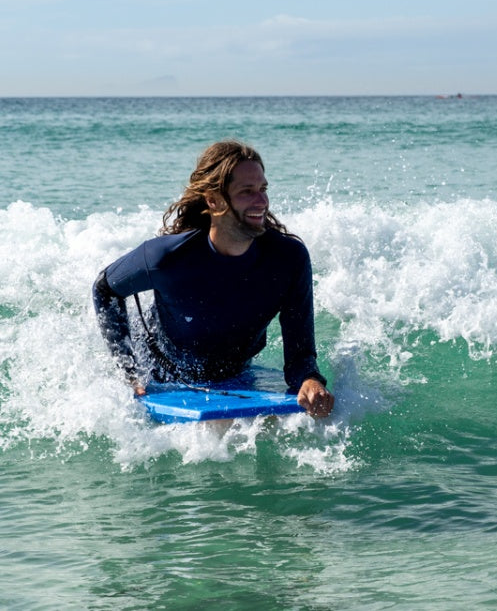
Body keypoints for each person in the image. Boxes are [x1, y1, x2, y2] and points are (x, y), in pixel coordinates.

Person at [93, 140, 334, 418]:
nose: (261, 201)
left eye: (263, 189)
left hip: (235, 373)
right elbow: (104, 289)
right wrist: (130, 372)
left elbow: (300, 353)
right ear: (214, 200)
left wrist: (309, 380)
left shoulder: (288, 259)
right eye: (247, 191)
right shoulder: (166, 258)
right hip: (161, 373)